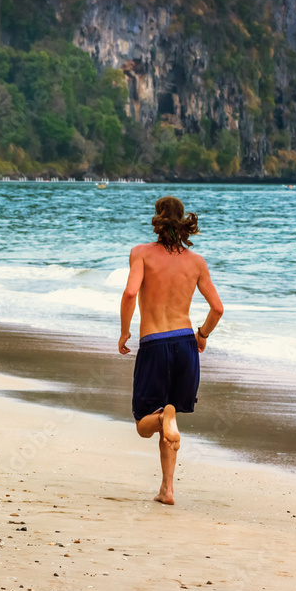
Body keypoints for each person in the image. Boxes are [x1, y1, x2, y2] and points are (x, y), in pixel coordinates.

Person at [118, 196, 224, 505]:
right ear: (183, 223)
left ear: (158, 218)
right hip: (185, 344)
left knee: (143, 424)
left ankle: (164, 416)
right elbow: (217, 308)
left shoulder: (140, 253)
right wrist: (202, 335)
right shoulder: (196, 261)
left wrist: (125, 330)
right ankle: (167, 490)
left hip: (154, 344)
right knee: (170, 423)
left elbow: (129, 293)